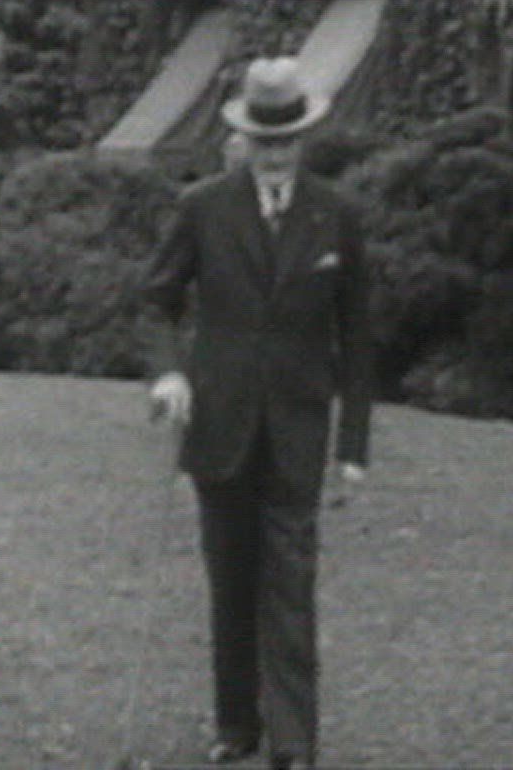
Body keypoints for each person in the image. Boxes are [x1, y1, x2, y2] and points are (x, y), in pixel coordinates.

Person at [144, 56, 373, 770]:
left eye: (287, 141)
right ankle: (236, 725)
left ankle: (294, 743)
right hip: (220, 427)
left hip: (298, 431)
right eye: (264, 141)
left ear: (303, 139)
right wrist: (169, 373)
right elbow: (156, 302)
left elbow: (358, 338)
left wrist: (353, 449)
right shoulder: (203, 207)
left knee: (291, 586)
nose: (275, 154)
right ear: (244, 138)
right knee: (232, 583)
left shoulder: (338, 215)